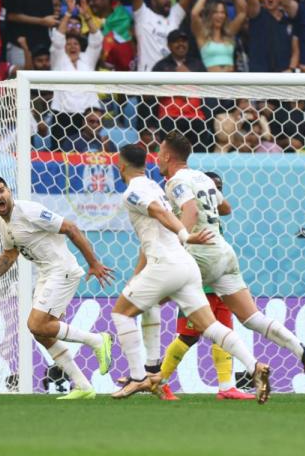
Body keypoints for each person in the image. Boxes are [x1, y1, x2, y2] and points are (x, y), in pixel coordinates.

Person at [155, 132, 305, 394]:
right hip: (224, 252)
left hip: (201, 255)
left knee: (148, 299)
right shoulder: (202, 178)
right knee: (252, 317)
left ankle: (148, 375)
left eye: (158, 153)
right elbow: (225, 208)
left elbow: (190, 210)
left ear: (167, 156)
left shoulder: (175, 181)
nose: (156, 158)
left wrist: (182, 240)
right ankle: (304, 352)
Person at [110, 144, 271, 402]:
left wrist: (185, 235)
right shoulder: (154, 186)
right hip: (186, 266)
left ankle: (139, 377)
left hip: (165, 264)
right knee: (211, 326)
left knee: (121, 313)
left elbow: (160, 212)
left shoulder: (132, 192)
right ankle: (255, 366)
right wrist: (184, 237)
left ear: (121, 166)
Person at [0, 176, 114, 400]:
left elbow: (71, 228)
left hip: (62, 270)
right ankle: (83, 386)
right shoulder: (1, 221)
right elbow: (10, 253)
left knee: (36, 324)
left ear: (9, 192)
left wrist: (93, 263)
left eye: (2, 191)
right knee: (41, 333)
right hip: (46, 274)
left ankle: (97, 340)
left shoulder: (29, 211)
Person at [191, 0, 247, 71]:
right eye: (215, 12)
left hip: (230, 82)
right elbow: (194, 14)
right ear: (210, 15)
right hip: (211, 82)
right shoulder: (202, 35)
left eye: (222, 12)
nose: (220, 16)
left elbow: (242, 12)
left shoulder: (229, 32)